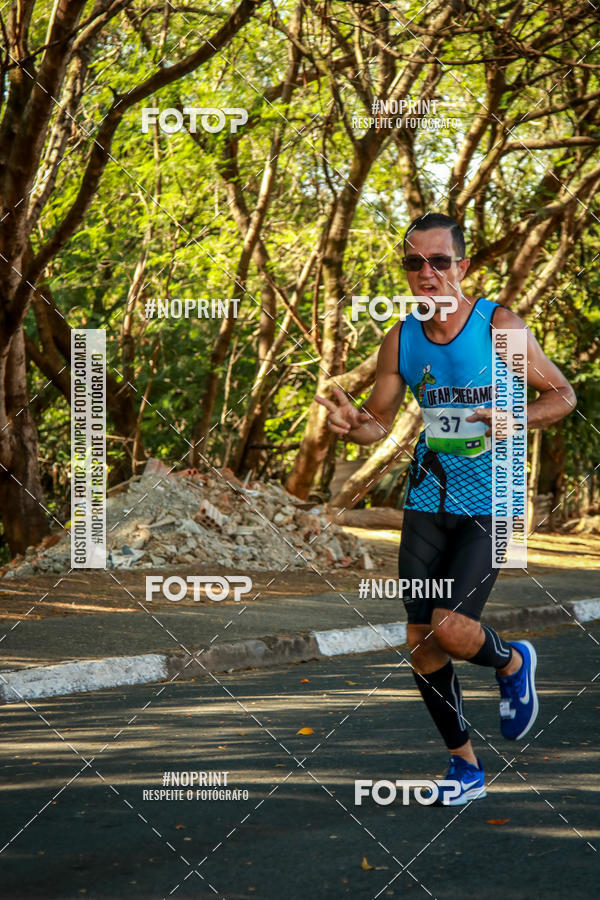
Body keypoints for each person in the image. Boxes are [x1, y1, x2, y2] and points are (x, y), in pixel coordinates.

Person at [316, 212, 576, 805]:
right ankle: (464, 768)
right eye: (414, 262)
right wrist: (350, 427)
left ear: (463, 267)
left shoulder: (499, 326)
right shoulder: (402, 339)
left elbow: (562, 394)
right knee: (420, 639)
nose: (427, 273)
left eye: (439, 261)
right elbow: (376, 422)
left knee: (452, 629)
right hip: (430, 496)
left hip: (495, 497)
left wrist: (518, 419)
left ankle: (511, 663)